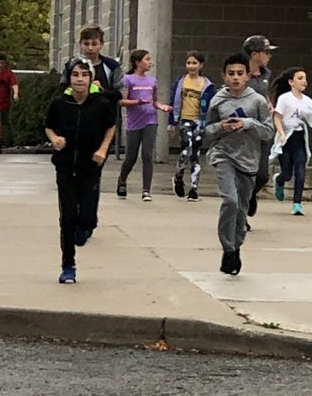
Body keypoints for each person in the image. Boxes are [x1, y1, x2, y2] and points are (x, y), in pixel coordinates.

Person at [44, 57, 118, 284]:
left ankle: (85, 228)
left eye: (84, 75)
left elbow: (111, 126)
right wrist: (55, 139)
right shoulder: (59, 104)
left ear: (91, 79)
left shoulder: (100, 104)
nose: (80, 79)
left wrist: (103, 150)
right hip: (65, 166)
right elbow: (48, 126)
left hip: (90, 167)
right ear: (69, 78)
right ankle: (68, 266)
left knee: (86, 219)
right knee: (67, 218)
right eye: (75, 75)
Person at [202, 52, 273, 275]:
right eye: (231, 74)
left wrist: (248, 123)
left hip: (248, 159)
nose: (235, 78)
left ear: (247, 76)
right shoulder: (218, 100)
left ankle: (236, 247)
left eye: (240, 74)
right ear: (224, 76)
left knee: (241, 209)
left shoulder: (257, 101)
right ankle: (227, 248)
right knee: (230, 201)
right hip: (223, 155)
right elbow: (207, 131)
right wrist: (220, 127)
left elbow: (268, 132)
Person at [115, 49, 171, 201]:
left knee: (147, 155)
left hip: (150, 121)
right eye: (147, 59)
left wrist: (162, 107)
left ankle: (146, 190)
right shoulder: (128, 79)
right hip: (134, 123)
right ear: (138, 62)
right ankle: (122, 179)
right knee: (131, 157)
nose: (150, 62)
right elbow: (122, 101)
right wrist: (137, 102)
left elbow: (154, 101)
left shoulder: (152, 81)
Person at [270, 67, 312, 216]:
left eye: (305, 78)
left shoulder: (308, 101)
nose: (304, 81)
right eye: (300, 78)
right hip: (286, 138)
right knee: (287, 173)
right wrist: (281, 133)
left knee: (300, 170)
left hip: (299, 138)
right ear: (291, 82)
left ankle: (297, 204)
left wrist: (306, 115)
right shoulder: (284, 98)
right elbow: (277, 117)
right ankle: (279, 180)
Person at [168, 52, 215, 201]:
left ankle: (194, 188)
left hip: (199, 122)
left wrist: (209, 123)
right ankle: (179, 176)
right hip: (184, 120)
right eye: (188, 63)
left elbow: (211, 106)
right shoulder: (181, 82)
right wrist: (172, 122)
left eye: (194, 63)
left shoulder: (207, 85)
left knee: (196, 155)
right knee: (186, 149)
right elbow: (173, 102)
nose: (191, 66)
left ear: (201, 65)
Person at [242, 34, 276, 218]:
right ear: (254, 54)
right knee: (245, 173)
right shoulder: (240, 73)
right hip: (244, 130)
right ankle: (242, 212)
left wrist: (268, 103)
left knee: (262, 175)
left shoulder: (266, 74)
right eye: (266, 52)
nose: (269, 57)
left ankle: (250, 196)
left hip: (262, 129)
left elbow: (265, 94)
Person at [61, 25, 124, 94]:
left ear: (101, 44)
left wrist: (102, 90)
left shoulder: (112, 66)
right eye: (86, 44)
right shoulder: (71, 65)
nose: (90, 48)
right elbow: (62, 89)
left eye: (94, 44)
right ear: (80, 44)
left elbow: (120, 94)